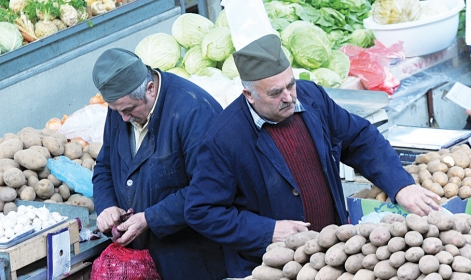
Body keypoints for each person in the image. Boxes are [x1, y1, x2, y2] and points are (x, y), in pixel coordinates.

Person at [184, 34, 441, 278]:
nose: (288, 98)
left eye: (290, 85)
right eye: (275, 93)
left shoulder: (310, 96)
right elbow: (201, 210)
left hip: (333, 255)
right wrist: (268, 230)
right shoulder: (223, 138)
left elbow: (359, 138)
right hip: (273, 265)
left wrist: (400, 185)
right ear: (249, 95)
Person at [91, 48, 227, 280]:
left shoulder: (194, 111)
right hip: (140, 258)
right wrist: (107, 205)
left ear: (150, 89)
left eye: (128, 110)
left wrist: (149, 218)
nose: (123, 118)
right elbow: (105, 165)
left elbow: (209, 189)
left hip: (190, 259)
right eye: (116, 111)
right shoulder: (121, 109)